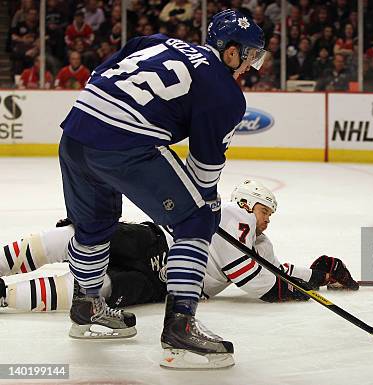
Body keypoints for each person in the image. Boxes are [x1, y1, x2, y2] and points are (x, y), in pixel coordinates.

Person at [57, 9, 266, 369]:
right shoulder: (225, 92)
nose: (251, 64)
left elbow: (108, 68)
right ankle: (180, 329)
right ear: (230, 52)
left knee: (96, 226)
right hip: (123, 143)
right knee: (196, 219)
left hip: (76, 131)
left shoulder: (161, 41)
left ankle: (88, 306)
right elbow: (203, 174)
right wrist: (207, 210)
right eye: (249, 55)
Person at [0, 180, 358, 311]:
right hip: (157, 246)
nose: (268, 219)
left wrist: (317, 274)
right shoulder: (236, 216)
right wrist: (298, 290)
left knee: (97, 287)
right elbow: (258, 282)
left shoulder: (259, 242)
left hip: (163, 283)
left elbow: (275, 271)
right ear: (248, 203)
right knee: (77, 243)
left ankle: (4, 296)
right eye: (266, 210)